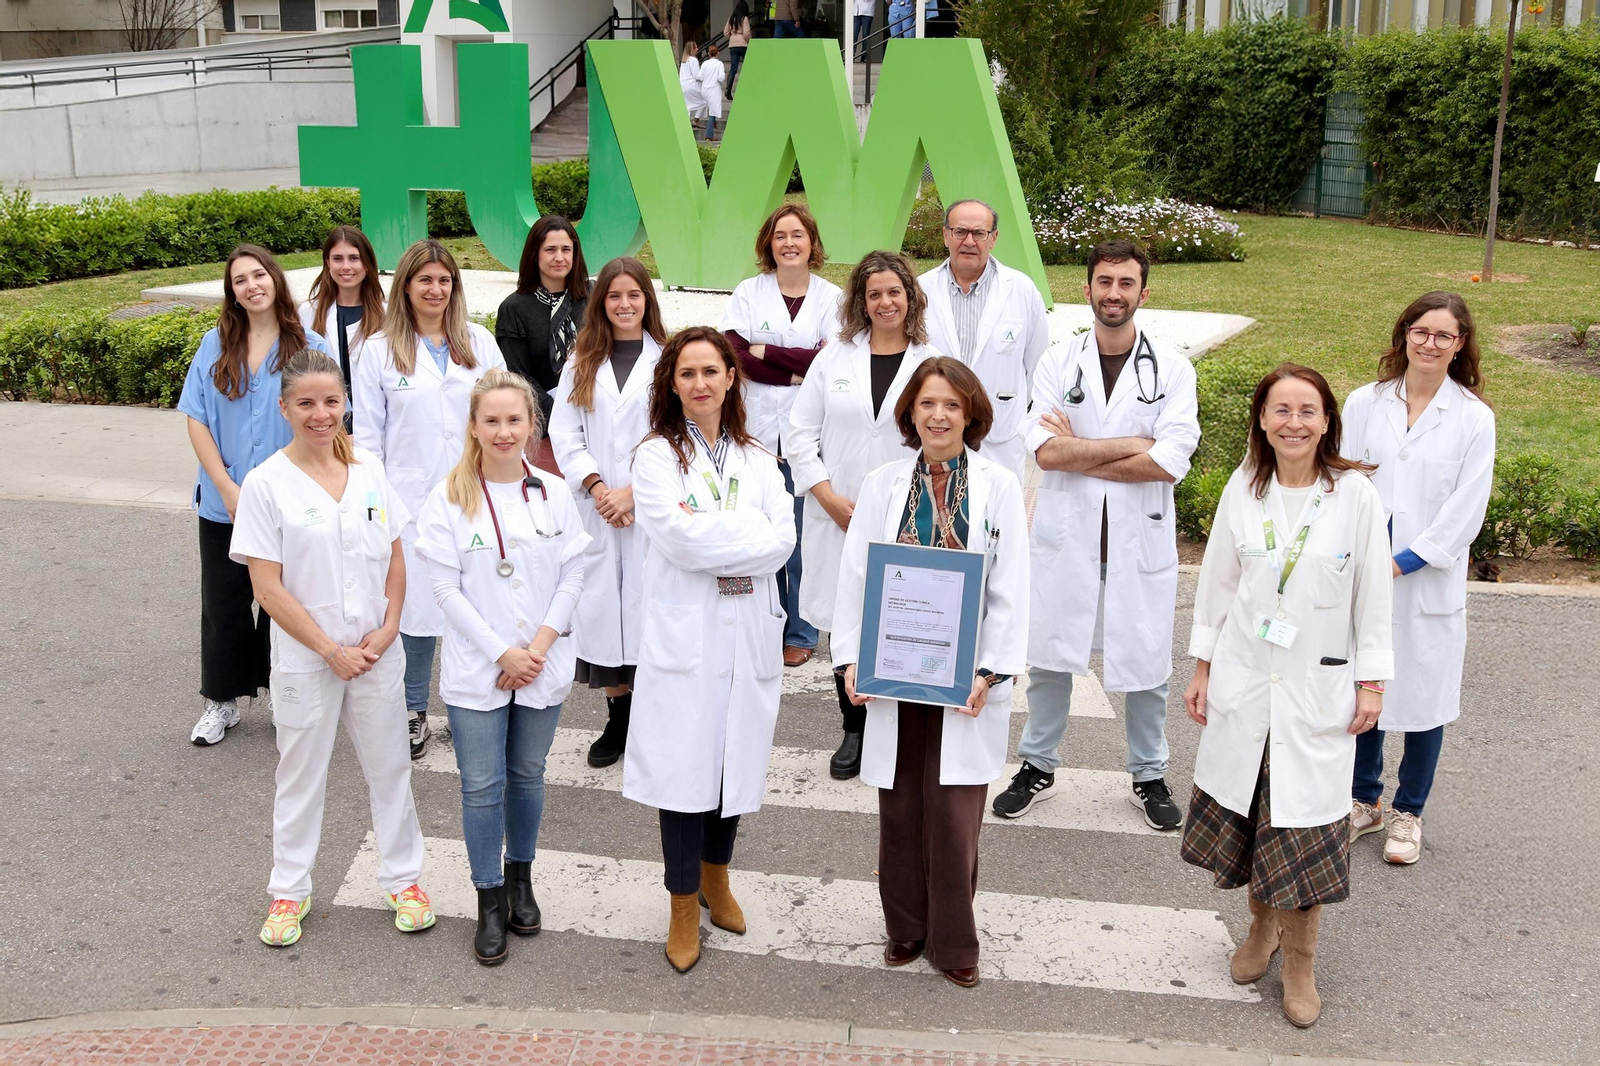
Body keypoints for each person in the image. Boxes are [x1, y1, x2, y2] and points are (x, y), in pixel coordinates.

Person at [1182, 363, 1393, 1029]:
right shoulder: (1244, 489)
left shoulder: (1355, 496)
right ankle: (1259, 932)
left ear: (1327, 420)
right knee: (1253, 825)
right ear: (1262, 420)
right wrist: (1202, 668)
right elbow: (1217, 583)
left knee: (1303, 831)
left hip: (1317, 690)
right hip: (1247, 684)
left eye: (1308, 411)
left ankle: (1299, 961)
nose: (1294, 422)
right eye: (1281, 410)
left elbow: (1374, 598)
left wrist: (1372, 681)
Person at [831, 357, 1028, 990]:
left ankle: (953, 940)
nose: (938, 415)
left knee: (952, 812)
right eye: (926, 404)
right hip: (894, 668)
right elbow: (857, 575)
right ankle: (905, 928)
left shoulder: (996, 487)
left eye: (950, 405)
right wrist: (850, 657)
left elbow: (1010, 589)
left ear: (970, 414)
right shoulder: (885, 483)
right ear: (910, 414)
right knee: (901, 805)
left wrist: (991, 670)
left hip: (964, 673)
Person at [230, 349, 434, 949]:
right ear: (285, 407)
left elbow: (396, 556)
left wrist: (392, 622)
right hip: (305, 658)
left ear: (345, 402)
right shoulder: (266, 484)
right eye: (307, 403)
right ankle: (289, 890)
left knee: (390, 766)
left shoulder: (369, 468)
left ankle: (404, 880)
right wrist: (328, 649)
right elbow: (266, 586)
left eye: (331, 401)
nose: (321, 414)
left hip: (374, 652)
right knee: (299, 773)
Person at [993, 240, 1199, 830]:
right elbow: (1044, 451)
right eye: (1104, 282)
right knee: (1052, 657)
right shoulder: (1059, 362)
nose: (1114, 293)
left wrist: (1081, 452)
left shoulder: (1174, 369)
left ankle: (1149, 774)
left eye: (1125, 283)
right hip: (1069, 537)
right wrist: (1135, 443)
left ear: (1143, 292)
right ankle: (1037, 765)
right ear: (1087, 289)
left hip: (1138, 542)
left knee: (1146, 663)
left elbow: (1170, 460)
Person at [624, 326, 796, 974]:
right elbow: (677, 541)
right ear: (672, 383)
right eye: (687, 372)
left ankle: (717, 879)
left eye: (710, 371)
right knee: (684, 769)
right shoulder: (654, 458)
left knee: (733, 762)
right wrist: (742, 535)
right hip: (686, 634)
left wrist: (723, 534)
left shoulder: (757, 459)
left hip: (746, 626)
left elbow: (781, 542)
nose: (700, 383)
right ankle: (682, 904)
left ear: (731, 378)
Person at [415, 370, 591, 966]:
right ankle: (488, 897)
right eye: (490, 420)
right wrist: (502, 652)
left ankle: (521, 880)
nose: (503, 430)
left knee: (527, 776)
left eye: (514, 419)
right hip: (479, 666)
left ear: (531, 426)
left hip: (540, 659)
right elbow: (444, 589)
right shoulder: (447, 498)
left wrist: (535, 648)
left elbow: (573, 573)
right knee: (481, 784)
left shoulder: (555, 493)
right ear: (473, 426)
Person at [1340, 292, 1495, 867]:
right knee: (1366, 684)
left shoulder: (1474, 418)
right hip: (1362, 569)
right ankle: (1363, 800)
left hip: (1426, 579)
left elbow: (1466, 509)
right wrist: (1361, 552)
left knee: (1426, 699)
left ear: (1459, 346)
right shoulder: (1364, 402)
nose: (1430, 343)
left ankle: (1409, 811)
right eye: (1421, 331)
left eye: (1443, 336)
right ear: (1404, 334)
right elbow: (1346, 475)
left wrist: (1404, 559)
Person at [353, 239, 506, 760]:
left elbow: (504, 415)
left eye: (445, 280)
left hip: (474, 494)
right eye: (425, 280)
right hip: (409, 500)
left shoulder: (479, 343)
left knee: (479, 604)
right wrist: (377, 509)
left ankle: (476, 707)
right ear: (407, 287)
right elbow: (367, 440)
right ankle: (413, 710)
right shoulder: (377, 350)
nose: (436, 289)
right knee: (415, 612)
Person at [787, 250, 938, 780]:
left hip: (909, 515)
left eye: (894, 291)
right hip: (839, 513)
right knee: (847, 620)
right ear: (860, 301)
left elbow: (947, 436)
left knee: (903, 620)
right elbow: (798, 433)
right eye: (874, 293)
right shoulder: (834, 358)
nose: (885, 302)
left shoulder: (931, 361)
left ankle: (894, 729)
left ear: (910, 297)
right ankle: (854, 729)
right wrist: (826, 496)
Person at [179, 244, 332, 747]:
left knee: (282, 603)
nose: (251, 285)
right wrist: (225, 486)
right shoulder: (214, 344)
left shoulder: (309, 346)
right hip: (224, 502)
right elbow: (196, 418)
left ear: (275, 278)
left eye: (258, 274)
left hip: (289, 502)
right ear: (233, 293)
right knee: (223, 604)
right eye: (239, 280)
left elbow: (323, 420)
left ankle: (284, 699)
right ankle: (221, 702)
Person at [548, 257, 668, 769]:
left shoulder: (667, 361)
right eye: (614, 296)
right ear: (602, 304)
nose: (624, 305)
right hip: (597, 508)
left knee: (651, 612)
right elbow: (565, 436)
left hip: (650, 508)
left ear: (647, 300)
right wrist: (600, 488)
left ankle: (653, 721)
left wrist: (635, 493)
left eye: (634, 295)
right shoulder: (581, 363)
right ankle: (618, 719)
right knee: (604, 617)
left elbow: (674, 436)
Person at [721, 204, 843, 669]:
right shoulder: (749, 292)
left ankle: (802, 629)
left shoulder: (833, 298)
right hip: (753, 430)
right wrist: (795, 365)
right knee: (755, 530)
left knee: (800, 533)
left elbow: (829, 361)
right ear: (768, 244)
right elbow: (736, 356)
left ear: (812, 243)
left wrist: (767, 351)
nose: (789, 243)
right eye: (779, 236)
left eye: (798, 235)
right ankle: (761, 621)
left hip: (806, 431)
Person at [918, 198, 1049, 488]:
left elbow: (1036, 366)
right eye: (960, 231)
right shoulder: (920, 291)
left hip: (999, 435)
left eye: (979, 233)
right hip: (935, 431)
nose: (969, 241)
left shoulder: (1021, 290)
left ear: (994, 238)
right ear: (945, 235)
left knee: (995, 522)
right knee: (938, 517)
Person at [495, 215, 591, 472]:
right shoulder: (514, 309)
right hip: (545, 426)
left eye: (566, 250)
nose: (559, 257)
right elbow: (517, 374)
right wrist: (561, 417)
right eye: (550, 250)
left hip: (596, 416)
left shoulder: (593, 298)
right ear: (534, 255)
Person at [297, 225, 384, 433]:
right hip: (324, 424)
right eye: (338, 259)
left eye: (354, 258)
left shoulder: (387, 316)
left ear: (367, 263)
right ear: (327, 263)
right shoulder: (308, 313)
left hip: (373, 423)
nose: (346, 266)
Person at [699, 44, 727, 141]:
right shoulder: (719, 64)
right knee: (713, 111)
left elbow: (700, 77)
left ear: (708, 54)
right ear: (718, 53)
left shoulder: (704, 64)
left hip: (704, 89)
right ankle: (709, 134)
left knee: (712, 109)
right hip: (714, 89)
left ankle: (713, 125)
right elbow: (721, 78)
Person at [724, 1, 751, 98]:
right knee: (748, 65)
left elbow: (726, 32)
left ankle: (728, 88)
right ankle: (748, 87)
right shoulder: (744, 18)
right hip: (743, 44)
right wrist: (748, 41)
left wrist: (732, 37)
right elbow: (746, 33)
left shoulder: (731, 18)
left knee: (733, 68)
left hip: (733, 45)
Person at [679, 41, 706, 131]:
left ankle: (684, 124)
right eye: (696, 47)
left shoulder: (684, 60)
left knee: (687, 105)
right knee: (704, 101)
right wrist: (704, 77)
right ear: (692, 49)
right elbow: (696, 75)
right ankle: (696, 120)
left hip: (683, 85)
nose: (697, 49)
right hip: (691, 85)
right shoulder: (693, 60)